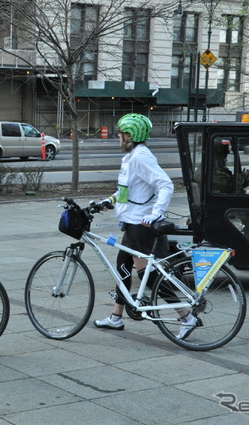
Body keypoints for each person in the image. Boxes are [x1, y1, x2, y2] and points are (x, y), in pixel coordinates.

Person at [93, 113, 198, 339]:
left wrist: (155, 214)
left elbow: (165, 184)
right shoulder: (130, 157)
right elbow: (125, 191)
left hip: (141, 225)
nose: (118, 137)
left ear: (131, 135)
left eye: (121, 134)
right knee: (122, 268)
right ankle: (116, 317)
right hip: (131, 223)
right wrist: (108, 202)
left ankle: (186, 316)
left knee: (147, 276)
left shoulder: (141, 157)